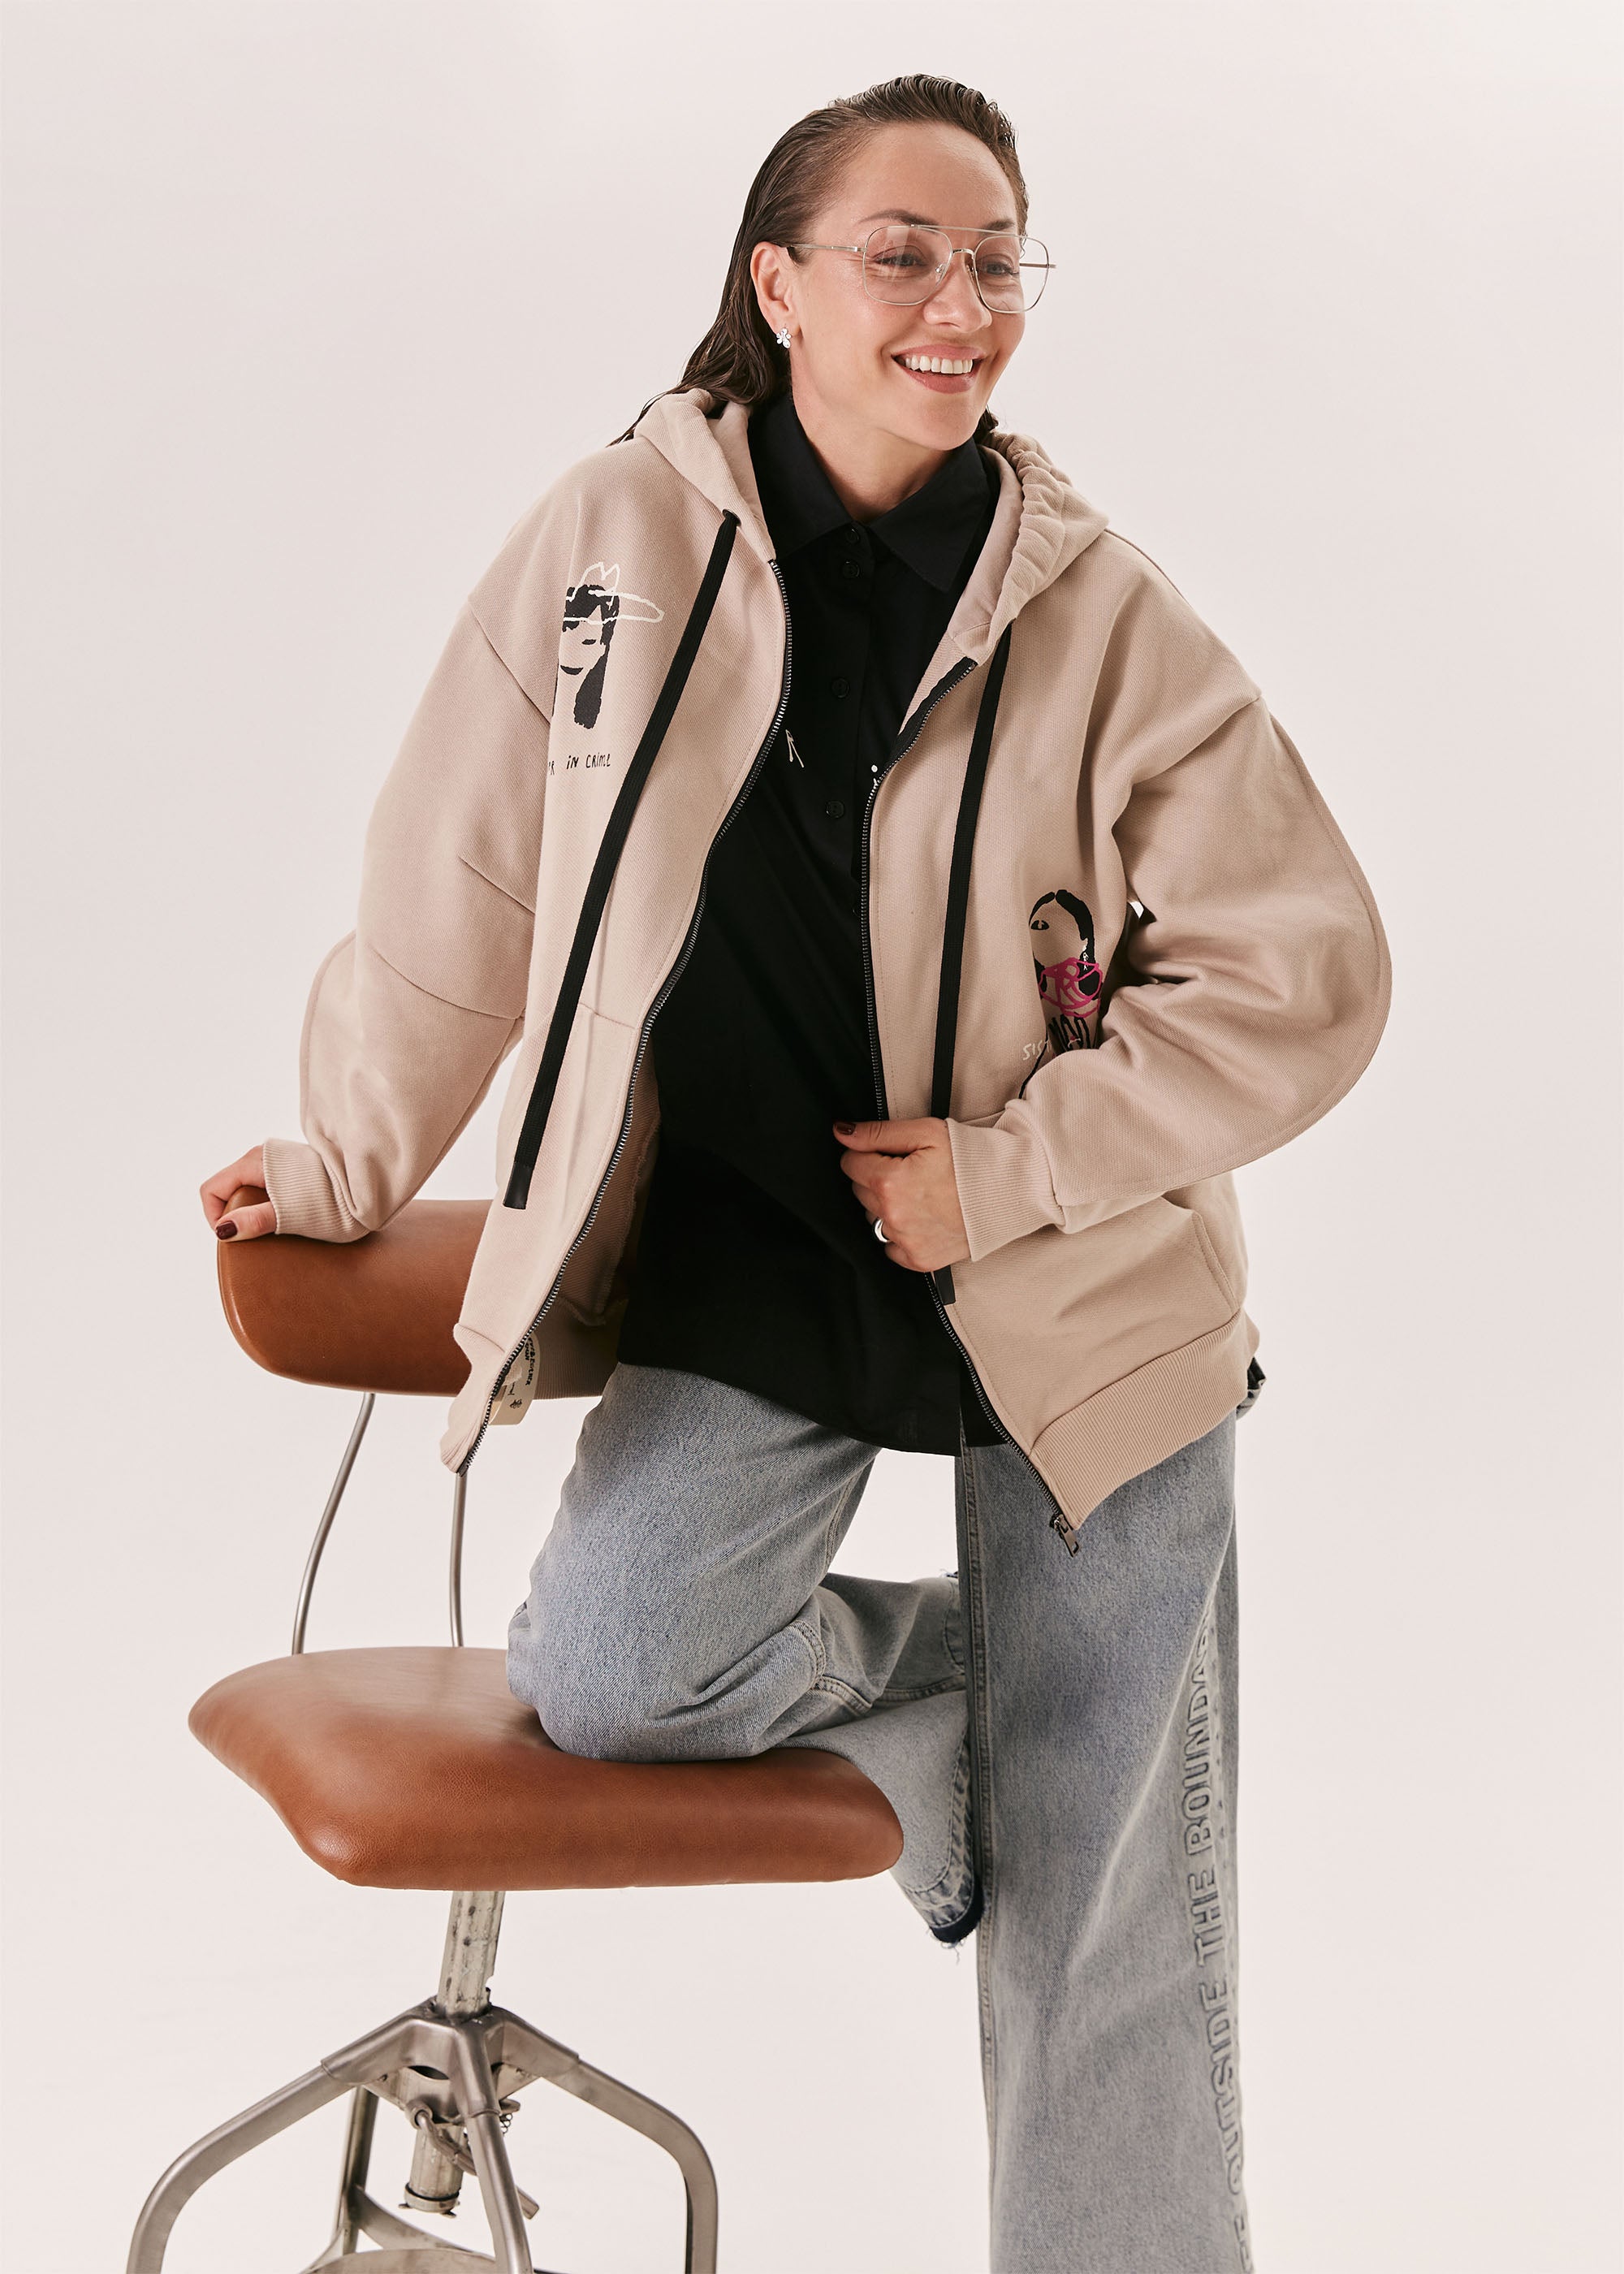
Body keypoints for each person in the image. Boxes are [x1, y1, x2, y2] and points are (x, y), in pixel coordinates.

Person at [201, 74, 1390, 2274]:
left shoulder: (1103, 610)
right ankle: (1036, 1720)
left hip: (1080, 1279)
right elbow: (459, 879)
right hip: (762, 1241)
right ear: (779, 282)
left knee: (1111, 1934)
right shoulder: (614, 538)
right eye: (904, 254)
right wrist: (345, 1155)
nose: (963, 304)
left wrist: (1014, 1172)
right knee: (626, 1674)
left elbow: (1307, 973)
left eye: (999, 262)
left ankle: (1095, 1782)